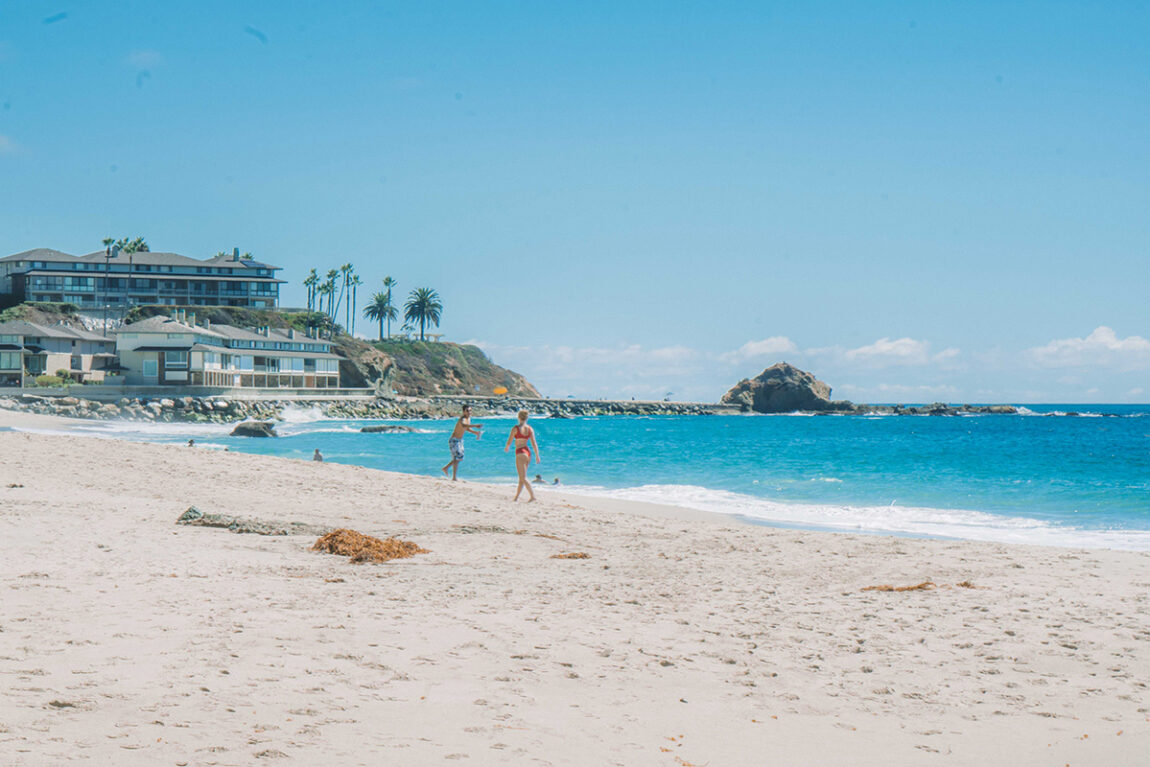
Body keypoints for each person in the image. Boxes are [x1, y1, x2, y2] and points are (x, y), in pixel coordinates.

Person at [505, 409, 540, 501]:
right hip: (527, 452)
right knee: (521, 477)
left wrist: (507, 447)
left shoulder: (515, 428)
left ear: (519, 417)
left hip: (520, 452)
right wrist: (537, 455)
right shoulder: (530, 429)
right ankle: (516, 497)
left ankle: (533, 496)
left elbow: (510, 440)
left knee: (523, 477)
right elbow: (534, 443)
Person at [442, 404, 483, 480]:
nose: (469, 412)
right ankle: (454, 477)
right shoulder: (463, 419)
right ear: (464, 412)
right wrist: (475, 426)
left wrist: (475, 433)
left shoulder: (468, 419)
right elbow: (464, 426)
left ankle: (446, 468)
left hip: (460, 441)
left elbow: (466, 429)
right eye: (467, 411)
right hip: (454, 440)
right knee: (456, 458)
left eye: (470, 410)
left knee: (460, 458)